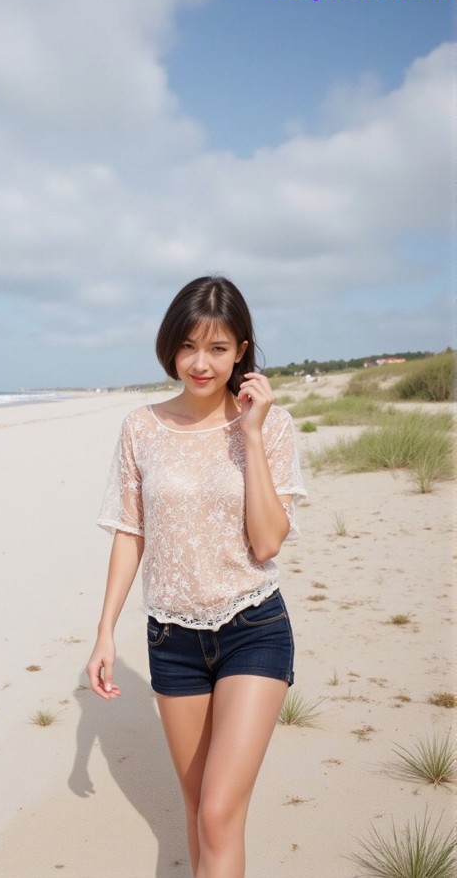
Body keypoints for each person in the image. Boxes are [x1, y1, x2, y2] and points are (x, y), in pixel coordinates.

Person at [86, 275, 306, 878]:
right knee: (196, 808)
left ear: (242, 351)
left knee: (216, 813)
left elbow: (267, 540)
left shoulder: (274, 426)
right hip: (171, 640)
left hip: (253, 628)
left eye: (217, 348)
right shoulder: (141, 427)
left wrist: (253, 435)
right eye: (188, 346)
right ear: (170, 349)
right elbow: (130, 533)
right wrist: (105, 632)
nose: (200, 363)